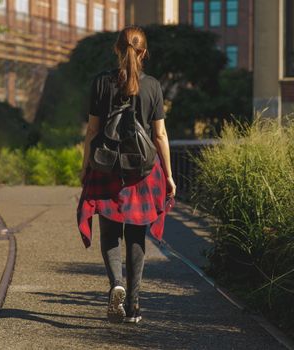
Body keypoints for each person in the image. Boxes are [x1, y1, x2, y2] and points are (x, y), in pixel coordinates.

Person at [76, 25, 176, 324]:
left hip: (107, 168)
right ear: (143, 52)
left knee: (109, 233)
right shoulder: (153, 86)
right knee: (135, 236)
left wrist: (85, 167)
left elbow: (93, 130)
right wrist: (168, 175)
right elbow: (160, 135)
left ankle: (116, 283)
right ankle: (133, 306)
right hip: (142, 173)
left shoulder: (101, 83)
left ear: (117, 49)